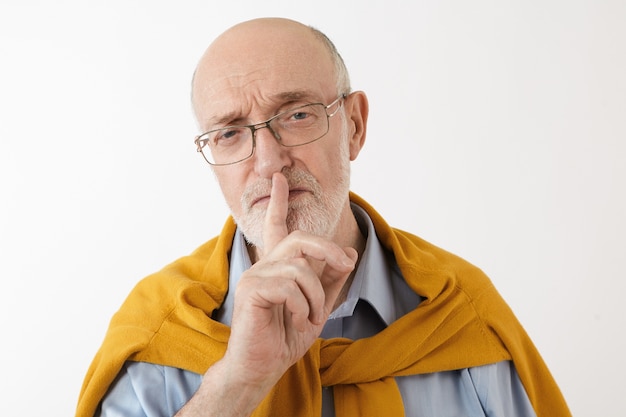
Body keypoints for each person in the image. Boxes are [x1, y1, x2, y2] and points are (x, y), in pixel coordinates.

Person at [76, 17, 570, 417]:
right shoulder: (158, 328)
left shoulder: (459, 313)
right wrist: (236, 384)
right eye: (229, 133)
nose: (268, 162)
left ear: (353, 126)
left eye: (296, 115)